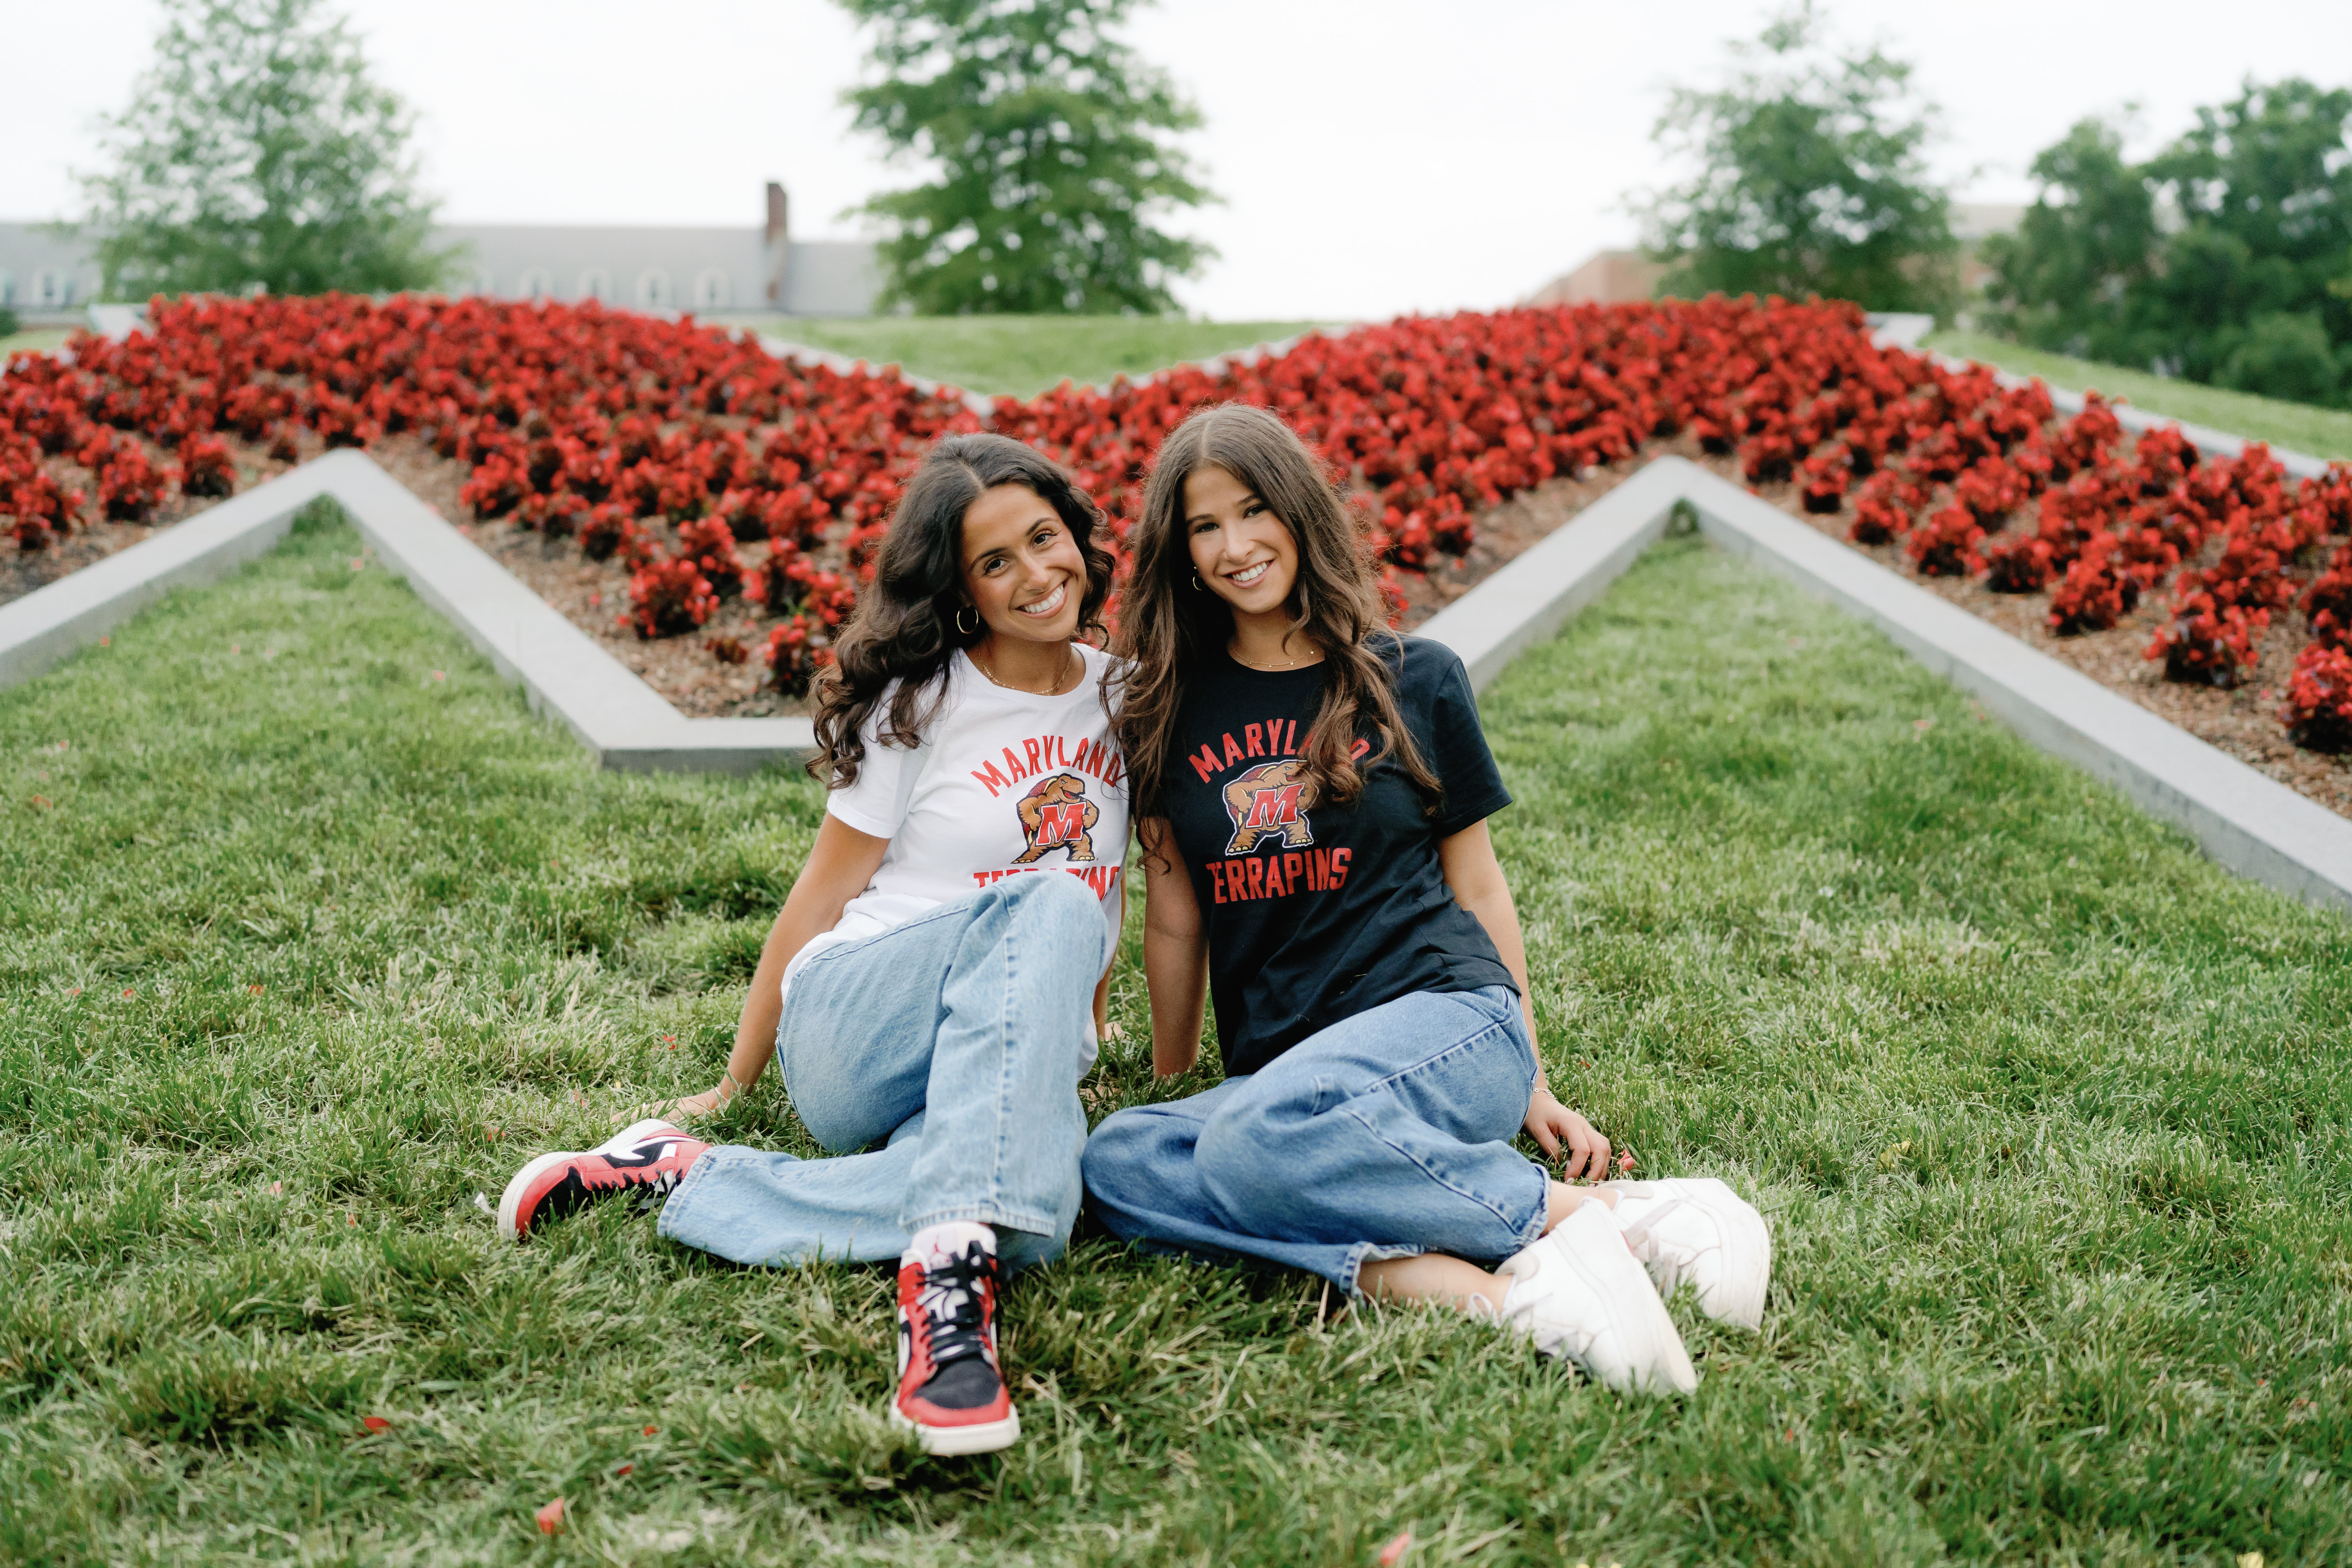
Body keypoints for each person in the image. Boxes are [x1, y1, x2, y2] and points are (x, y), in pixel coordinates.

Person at [1081, 403, 1769, 1396]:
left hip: (1443, 1017)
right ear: (1181, 550)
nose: (1234, 545)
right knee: (1121, 1162)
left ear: (1298, 511)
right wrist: (1178, 1078)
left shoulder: (1414, 678)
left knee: (1250, 1148)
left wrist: (1529, 1077)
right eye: (1203, 525)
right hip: (1289, 1076)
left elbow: (1478, 884)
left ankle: (1609, 1218)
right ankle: (1512, 1292)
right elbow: (1178, 913)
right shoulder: (1165, 709)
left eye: (1253, 510)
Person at [495, 434, 1131, 1454]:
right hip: (857, 1033)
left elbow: (1122, 886)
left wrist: (1083, 1040)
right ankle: (947, 1307)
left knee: (1041, 1214)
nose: (1035, 575)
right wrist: (737, 1076)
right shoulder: (919, 706)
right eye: (996, 562)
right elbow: (819, 901)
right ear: (961, 590)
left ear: (1079, 537)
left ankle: (682, 1173)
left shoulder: (1122, 697)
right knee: (1048, 899)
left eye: (1044, 539)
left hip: (991, 1053)